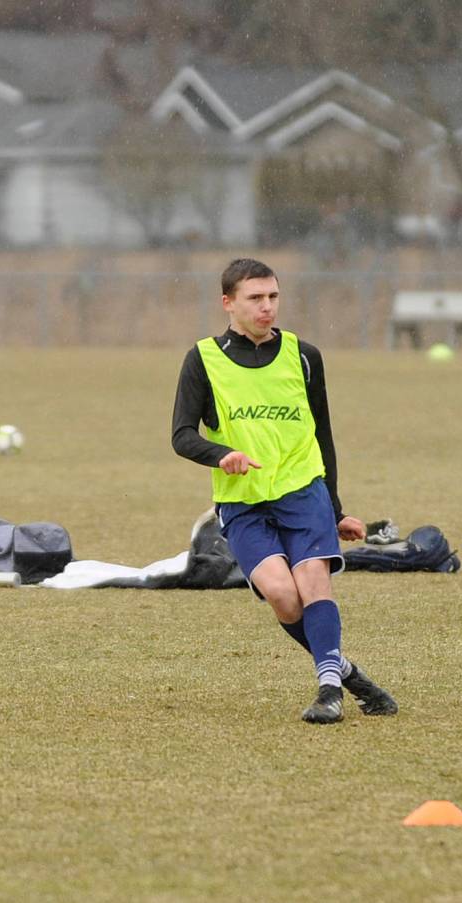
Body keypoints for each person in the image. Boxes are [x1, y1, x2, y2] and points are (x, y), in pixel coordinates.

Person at [171, 258, 397, 724]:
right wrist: (221, 456)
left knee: (313, 582)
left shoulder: (305, 356)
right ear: (228, 303)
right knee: (283, 596)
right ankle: (346, 672)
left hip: (302, 490)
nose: (267, 307)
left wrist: (335, 509)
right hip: (242, 502)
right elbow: (181, 435)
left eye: (273, 297)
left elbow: (324, 436)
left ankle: (329, 691)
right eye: (255, 298)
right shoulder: (203, 359)